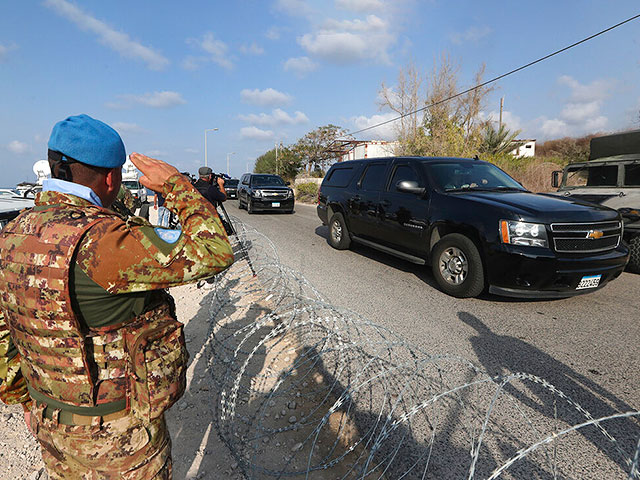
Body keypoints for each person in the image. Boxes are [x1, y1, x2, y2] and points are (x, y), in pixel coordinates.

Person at [0, 114, 234, 479]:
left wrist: (24, 400)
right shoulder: (105, 242)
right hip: (119, 434)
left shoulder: (11, 234)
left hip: (52, 426)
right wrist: (177, 186)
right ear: (111, 178)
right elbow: (215, 250)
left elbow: (4, 330)